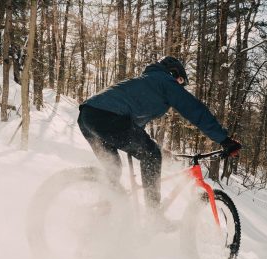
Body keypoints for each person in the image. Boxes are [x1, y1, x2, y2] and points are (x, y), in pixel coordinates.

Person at [77, 56, 241, 210]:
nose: (180, 86)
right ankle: (154, 217)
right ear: (173, 72)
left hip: (88, 117)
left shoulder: (146, 83)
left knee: (113, 170)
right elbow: (193, 109)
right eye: (181, 81)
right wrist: (224, 139)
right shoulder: (164, 80)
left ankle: (103, 213)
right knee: (151, 155)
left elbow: (133, 129)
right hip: (106, 117)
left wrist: (160, 150)